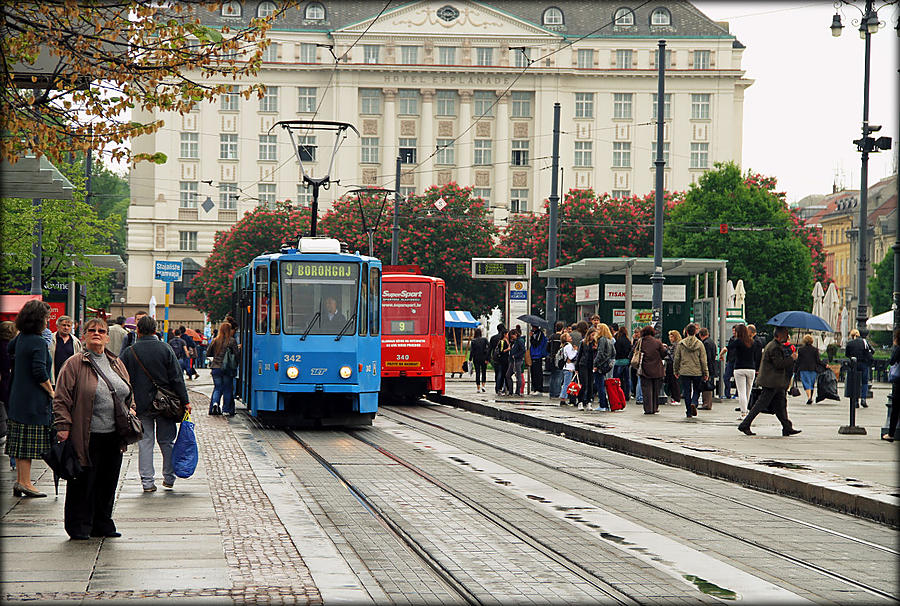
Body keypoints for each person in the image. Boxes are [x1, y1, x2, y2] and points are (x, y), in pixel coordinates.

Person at [53, 317, 135, 539]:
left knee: (108, 481)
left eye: (101, 331)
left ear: (107, 337)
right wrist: (63, 426)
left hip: (113, 435)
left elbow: (128, 392)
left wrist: (132, 411)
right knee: (83, 482)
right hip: (85, 434)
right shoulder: (74, 364)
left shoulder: (116, 362)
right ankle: (79, 526)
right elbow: (61, 398)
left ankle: (102, 524)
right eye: (92, 330)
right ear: (85, 335)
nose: (97, 333)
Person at [120, 315, 191, 492]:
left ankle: (147, 482)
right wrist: (185, 400)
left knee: (145, 443)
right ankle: (169, 478)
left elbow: (122, 378)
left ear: (138, 330)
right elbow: (177, 378)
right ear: (155, 330)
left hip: (141, 404)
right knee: (167, 441)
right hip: (165, 403)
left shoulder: (130, 351)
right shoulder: (165, 349)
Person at [5, 301, 54, 498]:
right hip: (33, 400)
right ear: (38, 319)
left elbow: (10, 351)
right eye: (46, 317)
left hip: (17, 397)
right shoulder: (38, 341)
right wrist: (51, 392)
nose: (48, 321)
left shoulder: (20, 338)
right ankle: (26, 483)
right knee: (27, 443)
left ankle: (20, 481)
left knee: (19, 442)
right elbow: (39, 371)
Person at [738, 325, 801, 437]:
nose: (788, 336)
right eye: (786, 334)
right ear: (780, 335)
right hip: (772, 381)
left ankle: (787, 427)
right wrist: (792, 358)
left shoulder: (775, 345)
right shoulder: (775, 347)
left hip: (775, 381)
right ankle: (745, 424)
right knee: (761, 404)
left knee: (780, 405)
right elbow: (778, 364)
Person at [673, 323, 708, 418]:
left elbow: (677, 358)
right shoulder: (700, 344)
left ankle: (688, 411)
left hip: (684, 370)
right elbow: (703, 360)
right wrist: (705, 372)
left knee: (687, 391)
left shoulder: (681, 344)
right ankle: (694, 402)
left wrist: (676, 370)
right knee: (697, 389)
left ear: (687, 332)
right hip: (697, 370)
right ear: (695, 332)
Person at [730, 323, 763, 419]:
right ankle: (746, 411)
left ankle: (744, 412)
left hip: (740, 368)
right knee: (748, 391)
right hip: (751, 368)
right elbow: (757, 356)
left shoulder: (738, 342)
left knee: (741, 392)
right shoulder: (754, 342)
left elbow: (728, 349)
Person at [207, 321, 240, 416]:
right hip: (227, 368)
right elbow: (236, 355)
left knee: (217, 388)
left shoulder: (215, 340)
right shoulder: (232, 341)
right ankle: (226, 409)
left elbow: (209, 353)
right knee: (227, 389)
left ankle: (215, 403)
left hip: (216, 368)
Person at [637, 325, 667, 414]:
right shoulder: (657, 342)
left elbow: (633, 353)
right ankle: (654, 407)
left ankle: (648, 409)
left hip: (645, 369)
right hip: (657, 369)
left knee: (646, 390)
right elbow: (663, 354)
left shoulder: (640, 342)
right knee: (655, 390)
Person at [49, 315, 83, 386]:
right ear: (57, 326)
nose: (66, 328)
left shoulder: (76, 342)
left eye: (68, 326)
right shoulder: (51, 339)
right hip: (54, 378)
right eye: (64, 325)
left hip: (70, 379)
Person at [844, 328, 874, 408]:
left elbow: (847, 354)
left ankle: (856, 400)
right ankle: (863, 399)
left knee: (855, 382)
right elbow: (871, 350)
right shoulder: (864, 342)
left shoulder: (850, 343)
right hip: (864, 363)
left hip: (854, 364)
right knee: (864, 382)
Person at [592, 324, 615, 411]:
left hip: (600, 365)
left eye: (598, 329)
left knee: (600, 385)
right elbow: (614, 353)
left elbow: (600, 353)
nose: (596, 331)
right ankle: (605, 404)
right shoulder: (610, 340)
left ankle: (603, 405)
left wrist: (595, 364)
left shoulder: (601, 340)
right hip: (606, 365)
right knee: (602, 384)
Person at [883, 329, 900, 441]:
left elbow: (892, 361)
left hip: (899, 382)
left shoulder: (898, 349)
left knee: (896, 409)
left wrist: (895, 346)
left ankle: (891, 434)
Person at [796, 334, 821, 405]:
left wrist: (795, 369)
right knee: (811, 384)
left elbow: (798, 361)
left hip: (804, 369)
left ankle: (809, 397)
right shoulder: (815, 350)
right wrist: (825, 365)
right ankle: (810, 397)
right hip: (813, 369)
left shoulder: (801, 350)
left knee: (806, 383)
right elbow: (818, 360)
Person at [575, 329, 597, 410]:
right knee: (584, 384)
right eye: (592, 335)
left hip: (591, 365)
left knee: (590, 384)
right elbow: (579, 355)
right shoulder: (583, 342)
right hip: (583, 365)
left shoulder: (595, 344)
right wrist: (576, 367)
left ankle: (588, 402)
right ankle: (580, 401)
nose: (593, 337)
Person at [698, 328, 718, 410]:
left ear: (700, 335)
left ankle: (706, 403)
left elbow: (706, 357)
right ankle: (708, 403)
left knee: (705, 386)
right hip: (712, 366)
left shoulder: (705, 343)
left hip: (708, 367)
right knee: (708, 385)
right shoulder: (711, 342)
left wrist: (705, 369)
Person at [613, 326, 632, 401]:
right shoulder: (628, 340)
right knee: (626, 379)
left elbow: (615, 351)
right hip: (626, 361)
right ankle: (626, 395)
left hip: (618, 361)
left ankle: (618, 394)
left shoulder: (617, 340)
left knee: (617, 380)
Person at [558, 333, 578, 406]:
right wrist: (575, 351)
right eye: (569, 336)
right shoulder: (569, 346)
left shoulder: (565, 346)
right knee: (567, 384)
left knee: (566, 383)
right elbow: (571, 356)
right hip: (569, 367)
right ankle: (563, 398)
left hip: (566, 367)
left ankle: (566, 398)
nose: (570, 337)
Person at [547, 321, 564, 399]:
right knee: (558, 376)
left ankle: (551, 392)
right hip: (559, 359)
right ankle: (557, 393)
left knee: (552, 376)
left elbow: (547, 348)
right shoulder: (562, 337)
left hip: (551, 359)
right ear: (562, 328)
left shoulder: (551, 337)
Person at [469, 328, 490, 393]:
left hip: (476, 358)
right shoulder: (485, 340)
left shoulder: (473, 341)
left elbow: (472, 351)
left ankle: (478, 388)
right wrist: (488, 358)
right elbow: (489, 348)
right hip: (484, 358)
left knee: (477, 373)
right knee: (484, 372)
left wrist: (470, 359)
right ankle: (483, 386)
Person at [665, 330, 682, 405]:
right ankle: (674, 397)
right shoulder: (674, 345)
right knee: (672, 382)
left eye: (672, 336)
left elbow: (674, 356)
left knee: (674, 382)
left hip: (673, 365)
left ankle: (676, 398)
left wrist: (667, 350)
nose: (670, 338)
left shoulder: (677, 345)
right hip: (671, 364)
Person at [528, 325, 547, 393]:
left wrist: (531, 336)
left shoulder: (539, 334)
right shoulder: (535, 333)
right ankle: (535, 387)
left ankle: (538, 388)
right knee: (533, 372)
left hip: (537, 355)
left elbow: (536, 343)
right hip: (534, 355)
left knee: (537, 372)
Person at [489, 324, 507, 395]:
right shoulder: (505, 338)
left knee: (498, 373)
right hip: (504, 357)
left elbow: (490, 349)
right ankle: (502, 387)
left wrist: (489, 358)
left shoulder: (493, 338)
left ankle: (497, 388)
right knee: (503, 373)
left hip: (496, 358)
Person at [721, 326, 737, 399]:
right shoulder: (732, 339)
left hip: (737, 361)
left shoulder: (740, 340)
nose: (733, 333)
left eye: (735, 331)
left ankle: (736, 394)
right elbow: (729, 349)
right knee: (726, 377)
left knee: (737, 379)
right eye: (733, 331)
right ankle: (727, 394)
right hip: (730, 360)